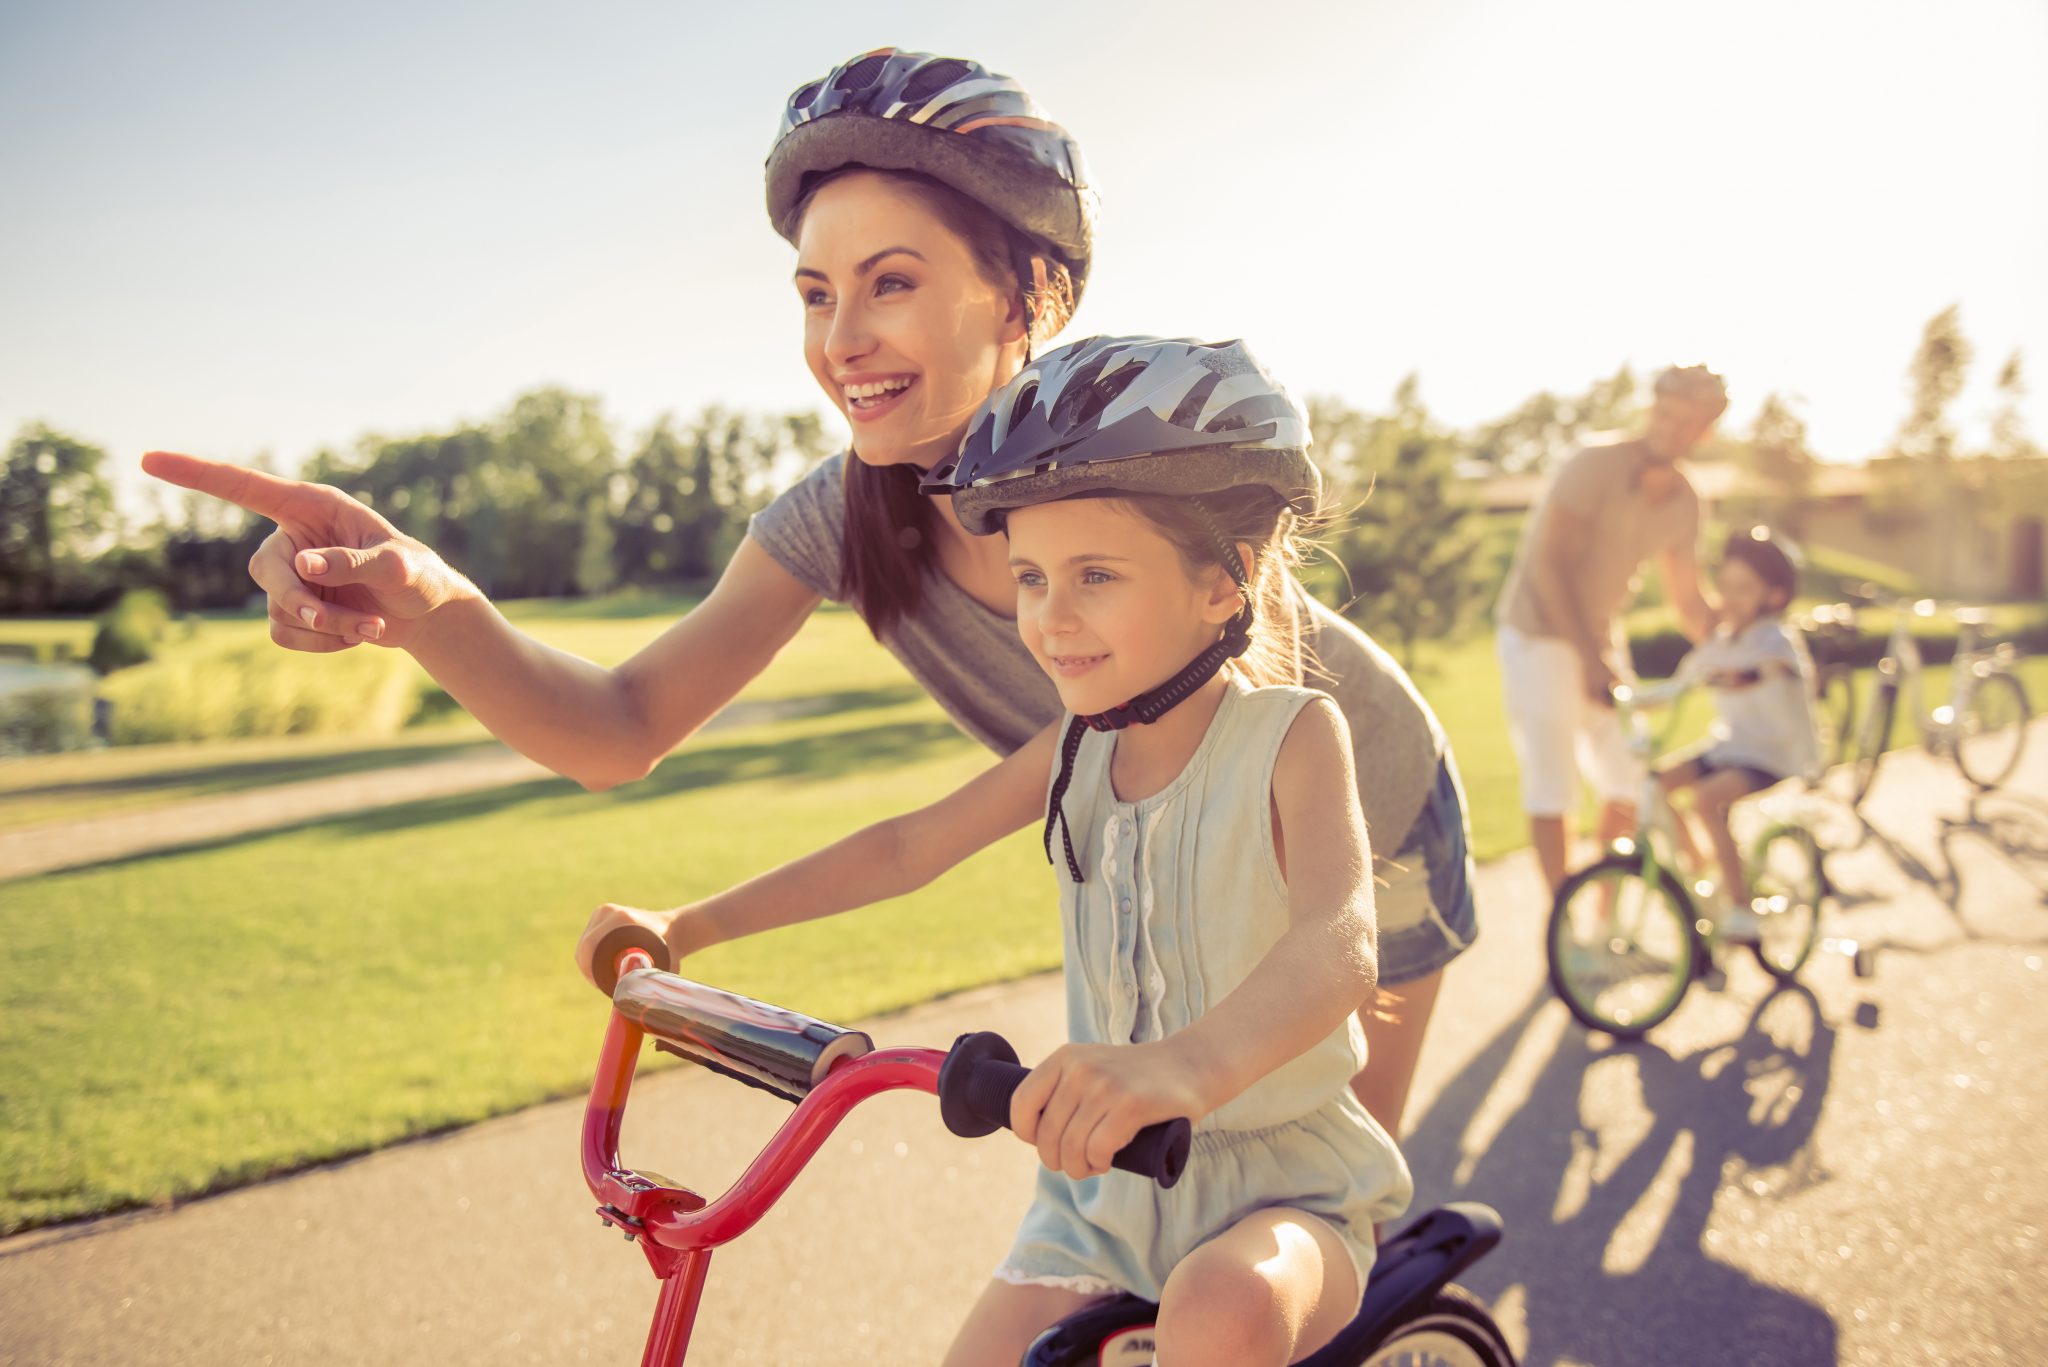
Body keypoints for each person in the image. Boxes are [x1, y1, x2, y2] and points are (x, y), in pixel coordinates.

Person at [139, 47, 1473, 1140]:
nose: (842, 342)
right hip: (1174, 859)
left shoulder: (1140, 476)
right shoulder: (843, 516)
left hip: (1356, 835)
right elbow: (619, 727)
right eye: (817, 293)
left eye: (892, 284)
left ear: (1027, 294)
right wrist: (429, 600)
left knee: (1292, 1213)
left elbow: (1255, 819)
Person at [578, 336, 1413, 1367]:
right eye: (1029, 576)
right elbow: (902, 848)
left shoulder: (1288, 735)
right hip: (1098, 1201)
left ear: (1222, 582)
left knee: (1221, 1308)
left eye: (1094, 575)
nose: (1049, 618)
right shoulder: (1071, 750)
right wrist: (687, 924)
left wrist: (1185, 1067)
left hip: (1284, 1193)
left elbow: (1338, 945)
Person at [1492, 363, 1726, 895]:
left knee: (1629, 781)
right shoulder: (1592, 465)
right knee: (1555, 787)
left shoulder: (1686, 500)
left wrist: (1741, 650)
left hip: (1598, 636)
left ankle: (1602, 915)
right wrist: (1592, 659)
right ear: (1651, 409)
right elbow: (1551, 567)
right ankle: (1564, 925)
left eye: (1687, 422)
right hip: (1538, 633)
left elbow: (1688, 598)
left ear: (1704, 432)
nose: (1671, 428)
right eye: (1665, 414)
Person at [1655, 526, 1820, 937]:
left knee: (1706, 799)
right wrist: (1620, 695)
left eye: (1743, 588)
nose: (1728, 597)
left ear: (1774, 597)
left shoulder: (1776, 641)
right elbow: (1675, 686)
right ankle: (1703, 867)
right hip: (1730, 746)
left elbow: (1769, 670)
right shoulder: (1720, 641)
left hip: (1774, 754)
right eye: (1724, 586)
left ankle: (1741, 906)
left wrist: (1741, 676)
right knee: (1655, 784)